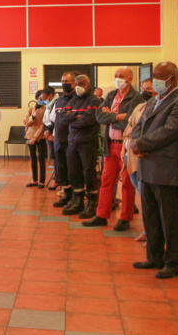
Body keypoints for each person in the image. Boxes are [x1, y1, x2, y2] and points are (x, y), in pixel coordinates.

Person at [130, 61, 178, 279]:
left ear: (172, 79)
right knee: (151, 217)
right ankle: (154, 257)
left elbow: (170, 130)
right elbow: (139, 126)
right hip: (146, 166)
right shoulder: (153, 101)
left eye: (158, 76)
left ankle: (173, 263)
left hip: (166, 168)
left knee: (170, 220)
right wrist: (136, 143)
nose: (154, 79)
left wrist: (142, 145)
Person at [87, 68, 144, 229]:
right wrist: (118, 116)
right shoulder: (111, 95)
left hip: (126, 146)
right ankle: (101, 215)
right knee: (106, 181)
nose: (118, 79)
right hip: (110, 144)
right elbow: (99, 116)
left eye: (121, 76)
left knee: (127, 183)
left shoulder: (136, 97)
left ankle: (125, 218)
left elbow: (133, 121)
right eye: (116, 76)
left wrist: (111, 117)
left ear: (130, 79)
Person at [63, 74, 103, 218]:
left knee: (88, 172)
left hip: (87, 142)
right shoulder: (73, 100)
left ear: (87, 85)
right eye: (76, 83)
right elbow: (62, 118)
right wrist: (75, 117)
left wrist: (72, 118)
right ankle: (77, 199)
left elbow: (88, 120)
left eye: (80, 83)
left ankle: (91, 202)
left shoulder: (94, 100)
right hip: (72, 141)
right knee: (74, 171)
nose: (77, 86)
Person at [123, 78, 157, 242]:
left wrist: (133, 129)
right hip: (130, 153)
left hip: (142, 154)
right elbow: (129, 125)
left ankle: (152, 232)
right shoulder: (139, 106)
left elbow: (141, 127)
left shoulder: (158, 106)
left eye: (149, 89)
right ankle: (148, 230)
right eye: (144, 88)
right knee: (141, 193)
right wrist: (131, 129)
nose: (146, 91)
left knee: (147, 195)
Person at [52, 72, 78, 204]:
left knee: (72, 169)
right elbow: (59, 117)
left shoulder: (77, 99)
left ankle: (75, 197)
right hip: (59, 139)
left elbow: (74, 117)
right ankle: (66, 195)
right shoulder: (60, 99)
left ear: (74, 83)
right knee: (61, 169)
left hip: (71, 140)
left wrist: (67, 115)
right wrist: (66, 114)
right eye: (62, 81)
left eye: (67, 81)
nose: (64, 84)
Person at [24, 90, 47, 188]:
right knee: (33, 159)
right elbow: (26, 123)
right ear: (36, 98)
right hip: (30, 135)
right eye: (39, 98)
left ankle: (42, 181)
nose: (41, 100)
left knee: (41, 159)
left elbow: (43, 125)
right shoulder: (30, 109)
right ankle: (34, 180)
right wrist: (32, 117)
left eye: (43, 98)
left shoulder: (46, 109)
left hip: (40, 136)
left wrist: (35, 137)